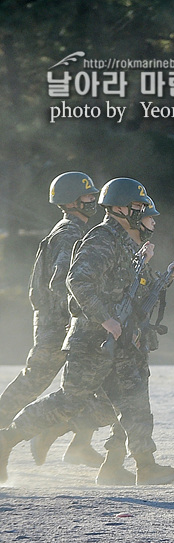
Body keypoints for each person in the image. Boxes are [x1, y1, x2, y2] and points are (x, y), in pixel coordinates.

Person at [0, 178, 174, 486]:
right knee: (69, 401)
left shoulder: (126, 242)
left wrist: (163, 277)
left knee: (135, 399)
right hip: (92, 338)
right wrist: (105, 319)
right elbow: (77, 281)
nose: (142, 212)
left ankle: (145, 466)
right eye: (137, 206)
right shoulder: (100, 237)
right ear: (117, 208)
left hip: (121, 339)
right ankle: (6, 440)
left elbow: (130, 289)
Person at [0, 172, 109, 468]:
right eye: (87, 197)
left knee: (89, 384)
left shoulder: (80, 229)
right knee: (34, 380)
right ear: (71, 201)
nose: (93, 201)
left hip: (67, 321)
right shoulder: (70, 233)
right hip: (58, 322)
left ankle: (81, 444)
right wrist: (81, 314)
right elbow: (61, 282)